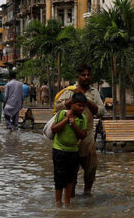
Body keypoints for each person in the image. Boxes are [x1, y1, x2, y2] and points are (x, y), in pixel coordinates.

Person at [55, 64, 106, 196]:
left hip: (88, 138)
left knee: (90, 170)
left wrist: (86, 101)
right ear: (78, 77)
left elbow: (101, 112)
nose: (86, 77)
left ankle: (87, 197)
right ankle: (70, 202)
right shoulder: (69, 91)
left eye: (88, 74)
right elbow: (57, 107)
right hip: (70, 141)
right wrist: (72, 99)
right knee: (70, 174)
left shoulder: (94, 92)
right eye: (83, 75)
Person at [51, 92, 88, 206]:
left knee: (71, 178)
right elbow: (54, 129)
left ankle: (67, 202)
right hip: (59, 150)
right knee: (59, 176)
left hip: (73, 151)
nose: (81, 108)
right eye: (79, 105)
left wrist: (74, 125)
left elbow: (83, 135)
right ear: (72, 104)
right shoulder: (62, 114)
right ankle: (58, 202)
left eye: (83, 106)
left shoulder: (83, 118)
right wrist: (66, 120)